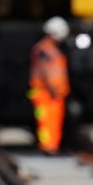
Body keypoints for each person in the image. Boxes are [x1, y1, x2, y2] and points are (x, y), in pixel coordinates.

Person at [30, 17, 70, 155]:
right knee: (46, 121)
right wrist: (52, 88)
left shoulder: (49, 50)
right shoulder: (44, 50)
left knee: (53, 120)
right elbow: (45, 71)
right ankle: (47, 146)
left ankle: (51, 145)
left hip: (53, 91)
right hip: (45, 92)